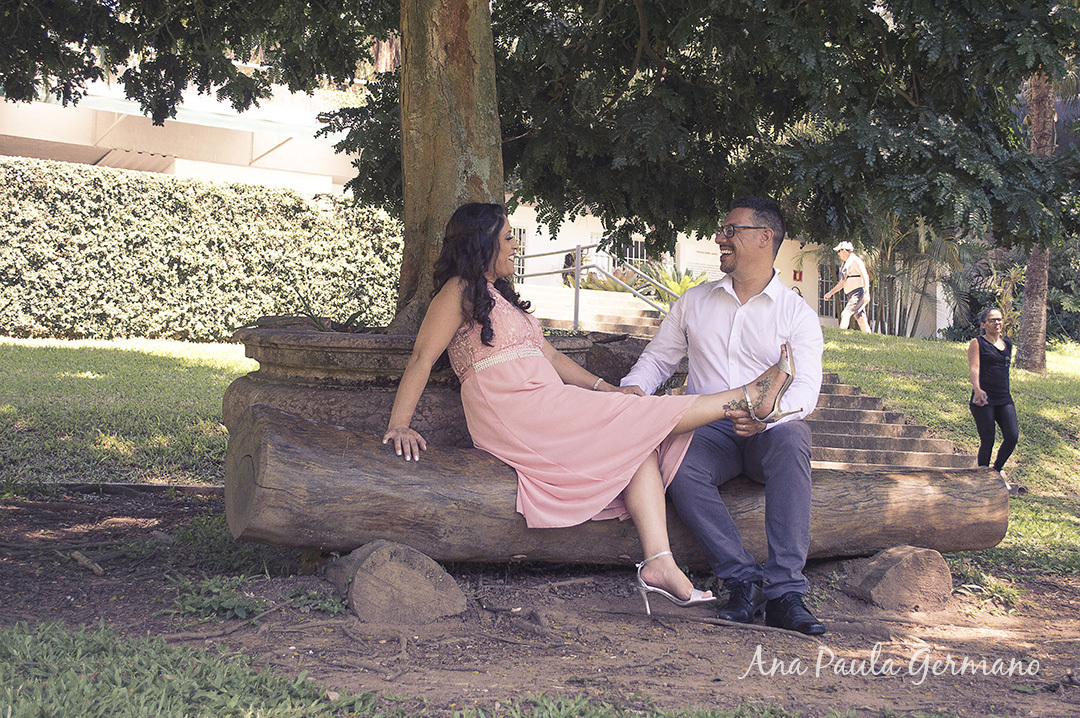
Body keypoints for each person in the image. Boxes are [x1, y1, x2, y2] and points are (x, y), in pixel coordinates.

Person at [382, 202, 799, 616]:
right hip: (512, 408)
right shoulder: (457, 290)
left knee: (634, 440)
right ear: (482, 242)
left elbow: (553, 359)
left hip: (547, 401)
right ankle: (745, 396)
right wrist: (400, 423)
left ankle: (659, 562)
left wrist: (608, 390)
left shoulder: (502, 298)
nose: (514, 246)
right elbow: (422, 357)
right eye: (508, 237)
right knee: (640, 421)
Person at [621, 197, 827, 635]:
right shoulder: (694, 302)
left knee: (795, 439)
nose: (719, 238)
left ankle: (786, 592)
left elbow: (807, 389)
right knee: (677, 462)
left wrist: (768, 415)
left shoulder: (797, 315)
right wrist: (632, 391)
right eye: (721, 230)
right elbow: (658, 360)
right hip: (709, 430)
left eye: (730, 230)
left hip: (770, 432)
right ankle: (741, 580)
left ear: (764, 238)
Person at [968, 307, 1019, 482]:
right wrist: (977, 389)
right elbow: (974, 367)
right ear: (983, 324)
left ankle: (996, 470)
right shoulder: (977, 343)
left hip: (1004, 398)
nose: (997, 323)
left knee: (1012, 436)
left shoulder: (1008, 345)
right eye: (992, 320)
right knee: (988, 439)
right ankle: (982, 477)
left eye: (999, 319)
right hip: (983, 398)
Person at [823, 241, 872, 333]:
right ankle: (869, 337)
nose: (838, 254)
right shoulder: (845, 264)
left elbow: (865, 276)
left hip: (858, 293)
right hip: (850, 293)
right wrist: (830, 293)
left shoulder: (855, 261)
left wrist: (866, 293)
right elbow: (842, 282)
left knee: (845, 314)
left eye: (839, 251)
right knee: (860, 317)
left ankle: (841, 335)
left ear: (844, 251)